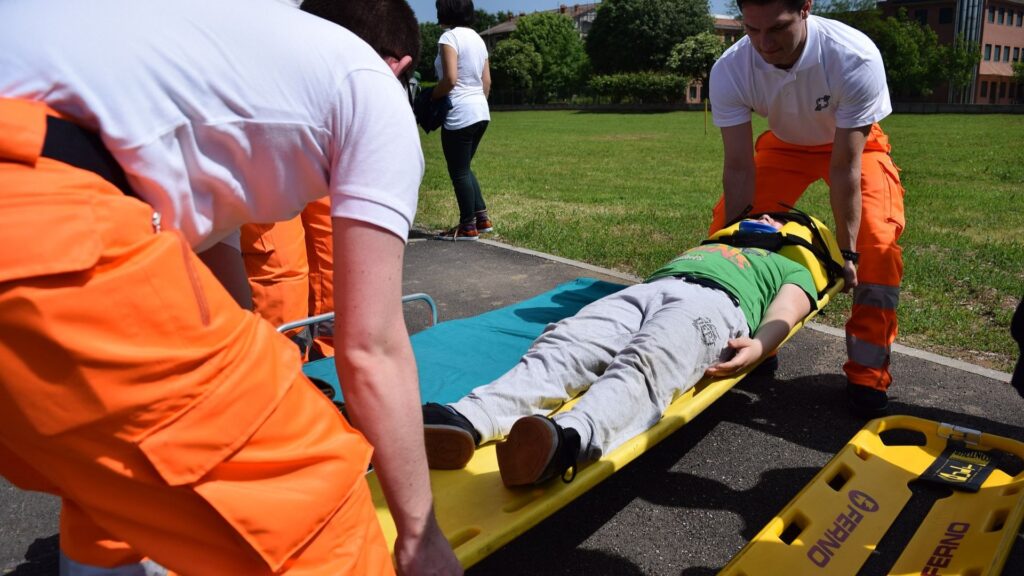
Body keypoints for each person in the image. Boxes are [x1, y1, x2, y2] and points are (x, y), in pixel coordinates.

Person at [0, 1, 461, 574]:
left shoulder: (219, 56)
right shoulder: (371, 86)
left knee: (119, 498)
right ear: (401, 65)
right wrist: (420, 535)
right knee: (315, 510)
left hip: (53, 185)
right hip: (38, 202)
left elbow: (214, 271)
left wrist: (256, 384)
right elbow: (371, 345)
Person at [422, 214, 820, 487]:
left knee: (650, 361)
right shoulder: (709, 246)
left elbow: (788, 310)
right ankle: (468, 418)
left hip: (718, 305)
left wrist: (761, 346)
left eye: (772, 220)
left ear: (788, 236)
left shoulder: (788, 266)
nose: (762, 220)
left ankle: (568, 441)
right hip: (649, 290)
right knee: (565, 344)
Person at [707, 0, 905, 417]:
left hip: (854, 146)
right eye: (751, 30)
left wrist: (848, 253)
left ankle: (868, 376)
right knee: (728, 235)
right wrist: (735, 237)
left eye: (777, 28)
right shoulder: (731, 68)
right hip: (784, 145)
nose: (764, 43)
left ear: (805, 9)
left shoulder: (853, 56)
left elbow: (846, 165)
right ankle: (753, 340)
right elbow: (739, 166)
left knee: (878, 246)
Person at [432, 0, 494, 241]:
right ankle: (482, 218)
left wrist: (430, 97)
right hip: (481, 110)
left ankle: (468, 226)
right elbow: (486, 81)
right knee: (464, 168)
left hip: (459, 112)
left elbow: (449, 80)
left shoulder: (449, 38)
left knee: (458, 171)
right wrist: (478, 104)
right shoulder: (478, 39)